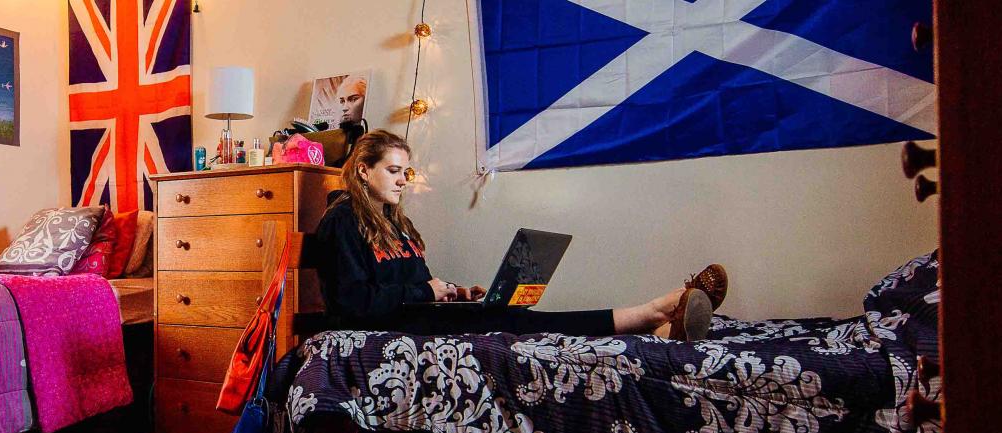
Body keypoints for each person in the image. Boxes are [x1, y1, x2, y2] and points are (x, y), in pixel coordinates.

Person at [312, 129, 728, 340]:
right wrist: (429, 293)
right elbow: (353, 305)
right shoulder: (343, 220)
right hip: (382, 328)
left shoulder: (397, 224)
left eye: (406, 171)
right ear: (363, 171)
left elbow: (413, 284)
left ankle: (657, 322)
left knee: (506, 312)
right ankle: (652, 314)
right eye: (392, 170)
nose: (402, 180)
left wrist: (454, 291)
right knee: (509, 319)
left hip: (413, 317)